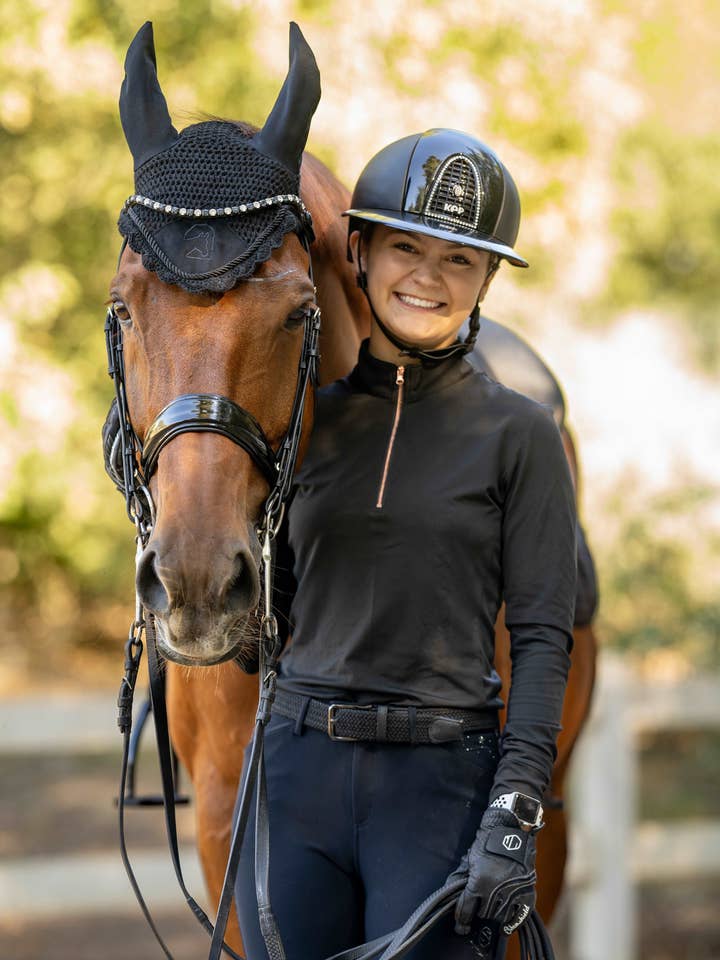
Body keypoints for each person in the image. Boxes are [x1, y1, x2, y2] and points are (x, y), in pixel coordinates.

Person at [235, 128, 577, 960]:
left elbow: (539, 639)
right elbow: (259, 631)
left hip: (439, 787)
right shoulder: (302, 423)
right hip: (296, 770)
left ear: (488, 278)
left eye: (459, 260)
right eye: (405, 248)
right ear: (358, 250)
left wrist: (516, 810)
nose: (427, 276)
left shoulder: (519, 435)